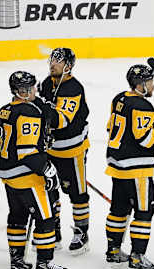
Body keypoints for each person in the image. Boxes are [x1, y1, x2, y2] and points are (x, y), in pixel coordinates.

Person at [0, 71, 67, 269]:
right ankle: (44, 265)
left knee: (17, 217)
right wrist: (46, 169)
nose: (36, 90)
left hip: (8, 175)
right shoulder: (28, 112)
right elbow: (26, 150)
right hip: (27, 176)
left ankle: (17, 263)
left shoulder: (5, 110)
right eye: (33, 87)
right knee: (45, 218)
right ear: (24, 92)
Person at [104, 64, 154, 269]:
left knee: (119, 210)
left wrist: (151, 125)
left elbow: (111, 127)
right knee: (144, 210)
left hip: (117, 167)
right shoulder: (143, 106)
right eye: (150, 82)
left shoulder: (119, 98)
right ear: (140, 85)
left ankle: (113, 251)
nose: (153, 86)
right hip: (136, 169)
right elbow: (148, 140)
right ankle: (137, 257)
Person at [38, 48, 91, 254]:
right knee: (50, 191)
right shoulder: (46, 83)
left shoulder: (73, 88)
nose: (52, 65)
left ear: (68, 66)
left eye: (57, 62)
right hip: (50, 150)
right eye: (51, 61)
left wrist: (39, 106)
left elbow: (61, 120)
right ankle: (54, 231)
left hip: (72, 151)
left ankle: (82, 234)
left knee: (77, 194)